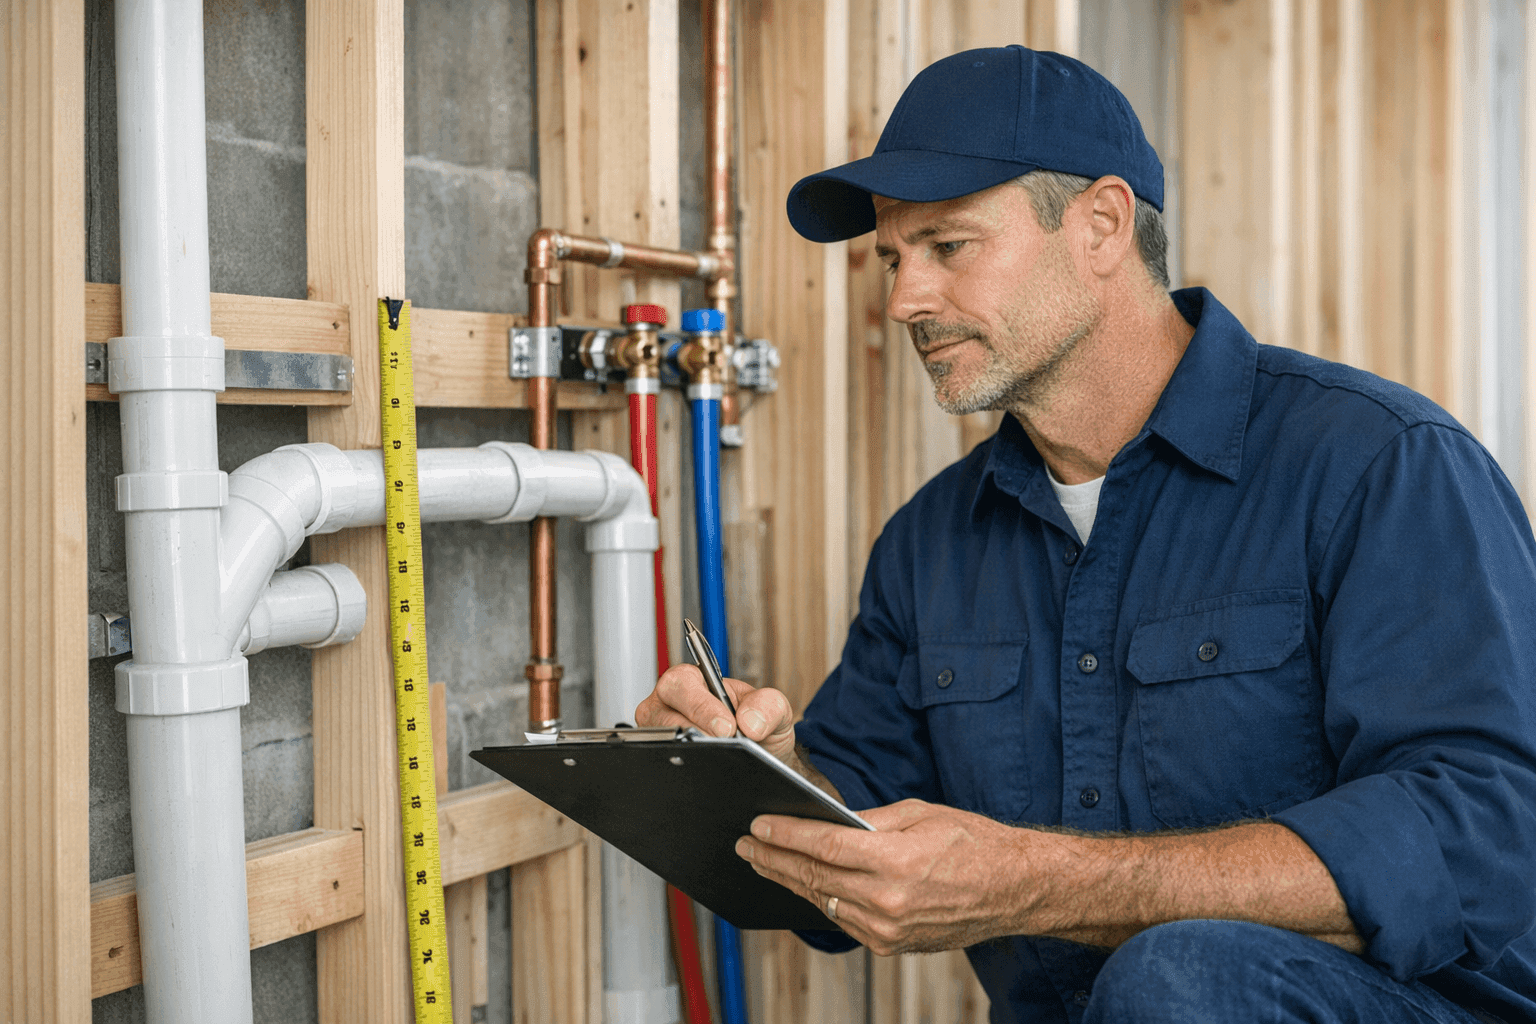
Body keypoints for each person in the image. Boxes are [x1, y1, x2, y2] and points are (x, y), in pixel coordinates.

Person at [636, 45, 1536, 1024]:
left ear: (1101, 225)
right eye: (894, 258)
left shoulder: (1376, 465)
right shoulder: (930, 544)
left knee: (1180, 977)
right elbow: (850, 842)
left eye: (948, 246)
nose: (904, 301)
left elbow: (1483, 835)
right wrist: (763, 778)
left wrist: (1033, 881)